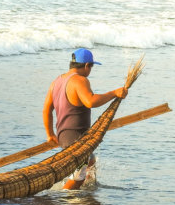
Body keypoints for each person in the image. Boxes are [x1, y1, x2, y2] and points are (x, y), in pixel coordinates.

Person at [43, 48, 127, 189]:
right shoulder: (80, 80)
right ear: (87, 65)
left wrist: (50, 134)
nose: (90, 70)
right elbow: (91, 101)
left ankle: (87, 192)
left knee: (91, 161)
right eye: (92, 66)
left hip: (64, 134)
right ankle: (63, 199)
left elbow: (46, 110)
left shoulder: (57, 81)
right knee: (78, 177)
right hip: (76, 137)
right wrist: (114, 93)